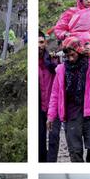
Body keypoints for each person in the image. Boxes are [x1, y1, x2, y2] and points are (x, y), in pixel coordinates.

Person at [46, 37, 90, 162]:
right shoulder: (61, 70)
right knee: (75, 151)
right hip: (72, 114)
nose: (70, 58)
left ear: (79, 51)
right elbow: (55, 94)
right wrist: (51, 115)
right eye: (67, 56)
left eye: (73, 55)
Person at [38, 31, 60, 162]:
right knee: (39, 140)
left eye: (40, 42)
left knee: (54, 138)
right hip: (39, 106)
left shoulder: (54, 60)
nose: (38, 46)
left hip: (54, 105)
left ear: (45, 43)